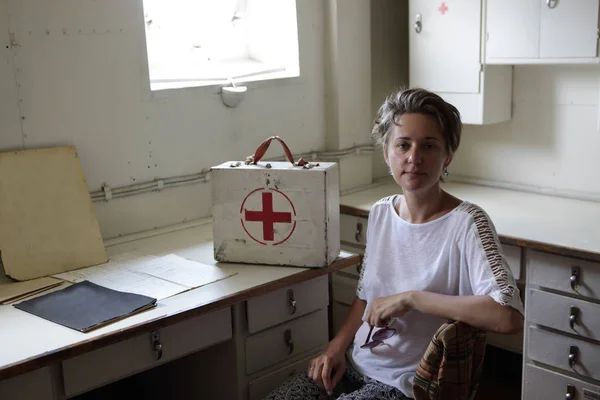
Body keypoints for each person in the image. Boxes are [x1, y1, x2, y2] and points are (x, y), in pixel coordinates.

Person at [264, 88, 524, 400]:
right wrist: (334, 349)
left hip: (408, 385)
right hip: (355, 364)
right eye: (403, 145)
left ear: (448, 156)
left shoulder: (467, 223)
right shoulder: (381, 212)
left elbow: (508, 316)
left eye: (429, 145)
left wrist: (412, 299)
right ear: (387, 154)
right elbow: (365, 296)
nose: (414, 157)